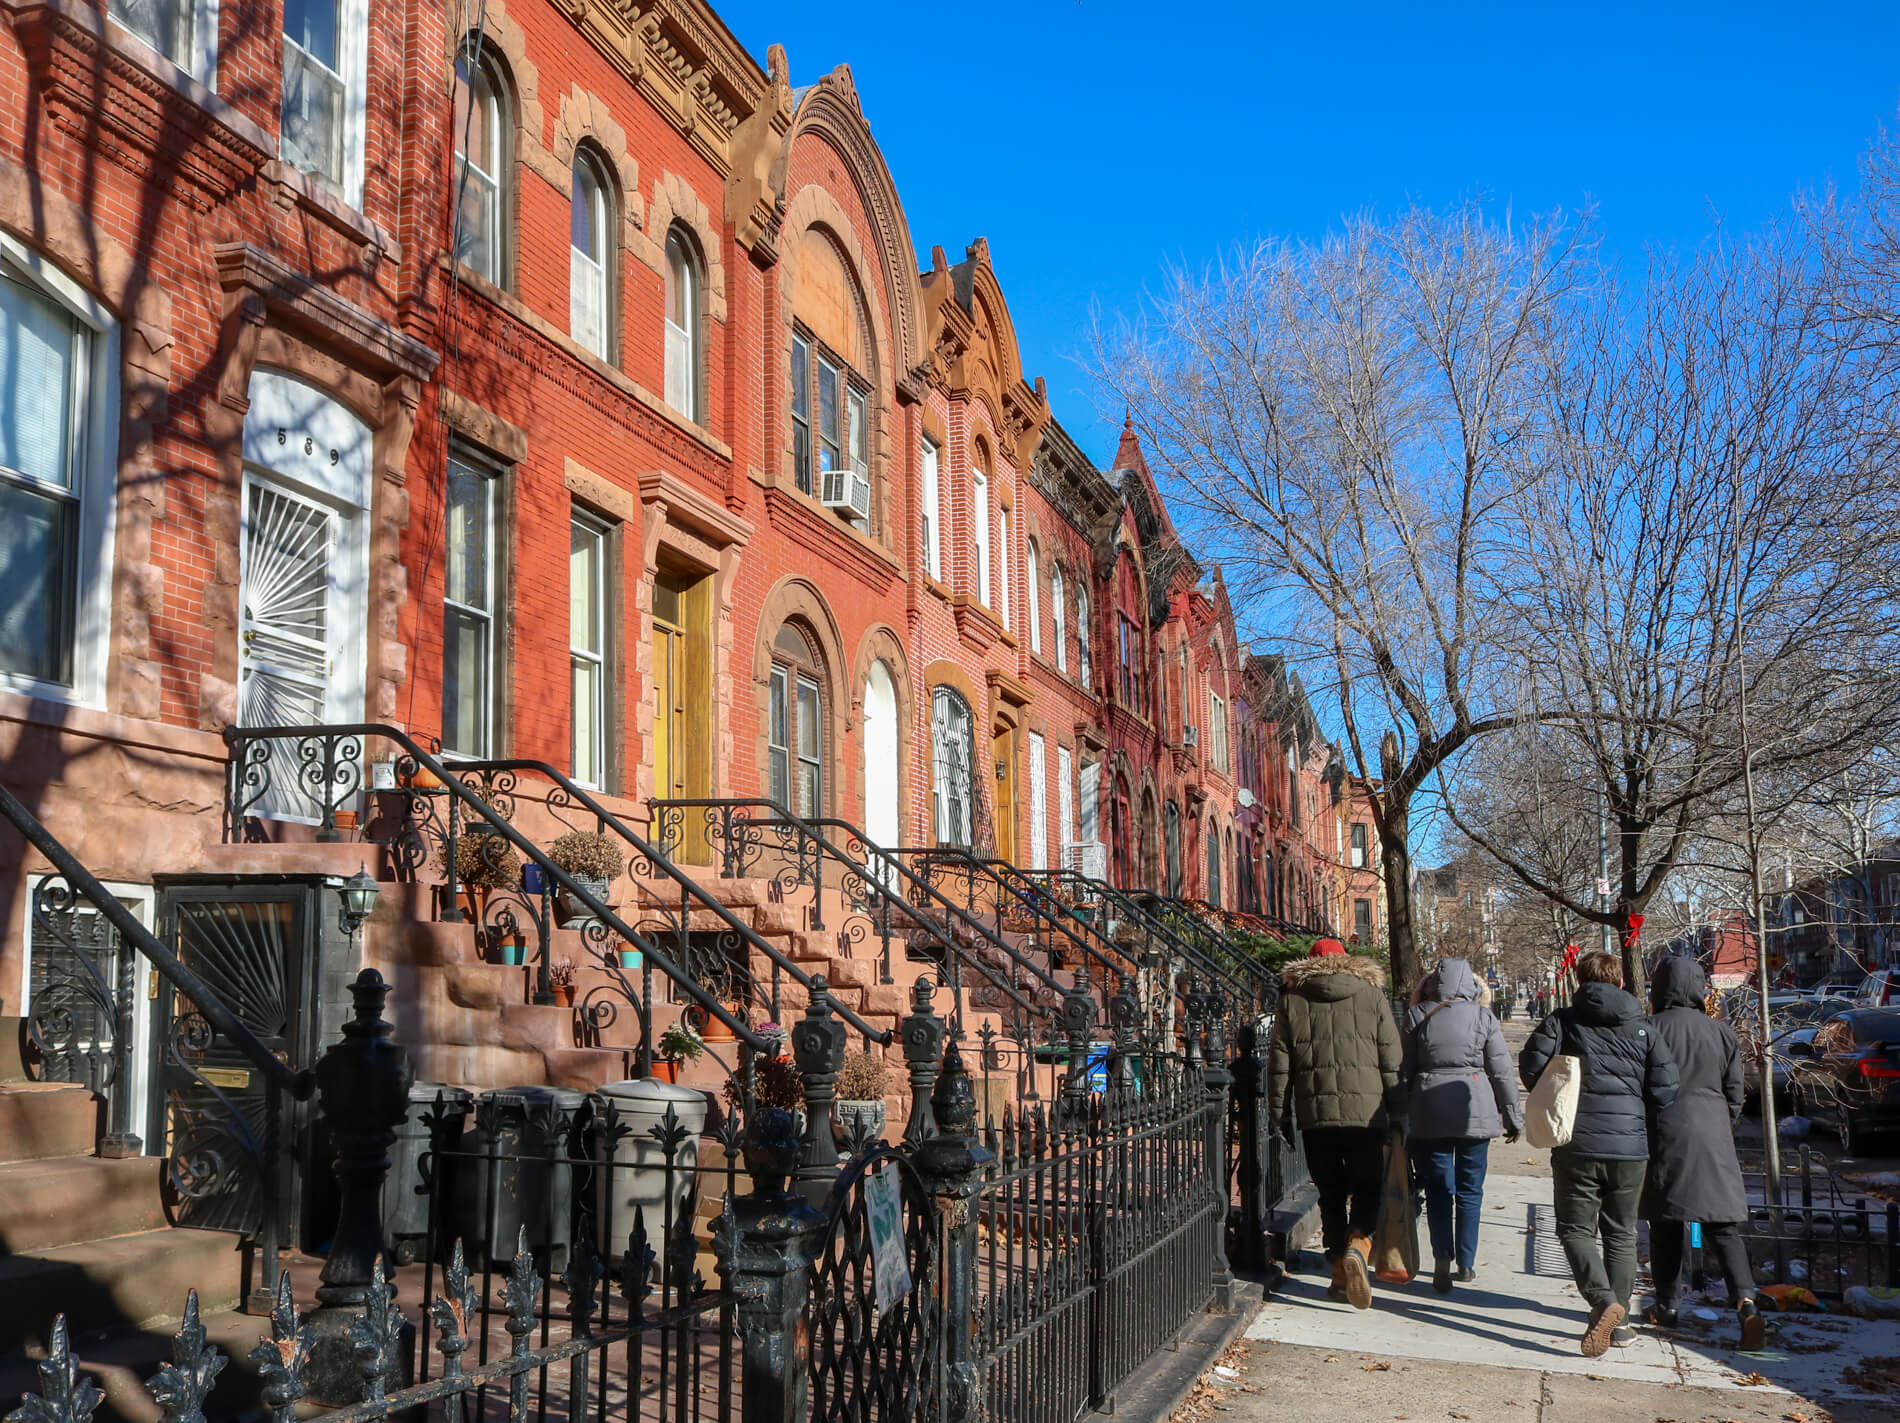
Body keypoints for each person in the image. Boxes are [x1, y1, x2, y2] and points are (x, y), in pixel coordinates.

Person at [1521, 950, 1678, 1357]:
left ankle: (1602, 1301)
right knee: (1621, 1232)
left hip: (1577, 1142)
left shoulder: (1561, 1021)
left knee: (1575, 1229)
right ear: (1620, 982)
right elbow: (1665, 1090)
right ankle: (1620, 1322)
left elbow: (1531, 1068)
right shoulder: (1643, 1028)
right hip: (1630, 1147)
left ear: (1579, 980)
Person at [1642, 954, 1766, 1351]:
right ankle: (1746, 1302)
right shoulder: (1722, 1034)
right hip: (1713, 1134)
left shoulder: (1649, 1029)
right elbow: (1736, 1093)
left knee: (1665, 1225)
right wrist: (1721, 1123)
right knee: (1723, 1227)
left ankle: (1667, 1305)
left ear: (1660, 988)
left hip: (1664, 1133)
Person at [1270, 937, 1402, 1310]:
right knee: (1367, 1188)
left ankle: (1339, 1271)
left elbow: (1280, 1064)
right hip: (1367, 1114)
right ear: (1348, 961)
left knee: (1329, 1193)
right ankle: (1358, 1244)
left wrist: (1279, 1112)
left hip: (1316, 1115)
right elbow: (1391, 1059)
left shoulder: (1292, 1000)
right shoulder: (1371, 995)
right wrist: (1399, 1110)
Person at [1402, 958, 1524, 1293]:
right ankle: (1466, 1263)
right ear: (1471, 985)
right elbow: (1501, 1070)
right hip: (1475, 1111)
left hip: (1429, 1112)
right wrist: (1512, 1115)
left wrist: (1399, 1115)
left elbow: (1403, 1070)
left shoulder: (1417, 1015)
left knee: (1438, 1189)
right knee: (1471, 1190)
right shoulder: (1483, 1016)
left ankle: (1442, 1256)